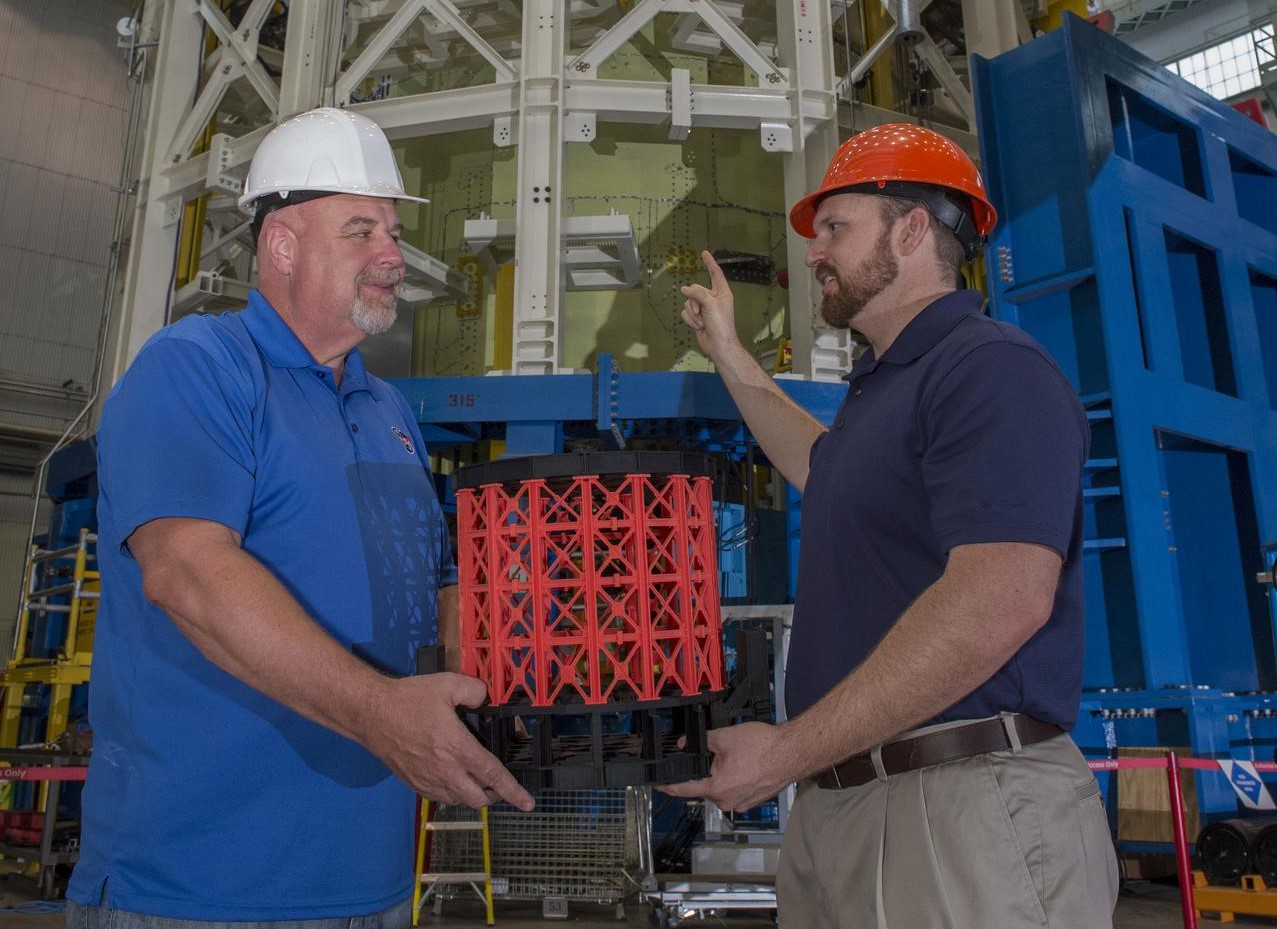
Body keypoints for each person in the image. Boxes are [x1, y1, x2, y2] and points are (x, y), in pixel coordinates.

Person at [67, 107, 533, 927]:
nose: (393, 256)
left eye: (391, 231)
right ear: (281, 244)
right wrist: (381, 713)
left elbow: (423, 592)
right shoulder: (197, 368)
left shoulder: (385, 406)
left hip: (376, 879)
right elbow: (185, 572)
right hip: (201, 887)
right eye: (361, 231)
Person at [664, 124, 1118, 928]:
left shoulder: (989, 369)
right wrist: (730, 355)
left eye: (835, 227)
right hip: (846, 801)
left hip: (962, 803)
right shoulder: (883, 392)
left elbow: (1000, 601)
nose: (812, 254)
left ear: (911, 230)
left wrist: (787, 752)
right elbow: (822, 466)